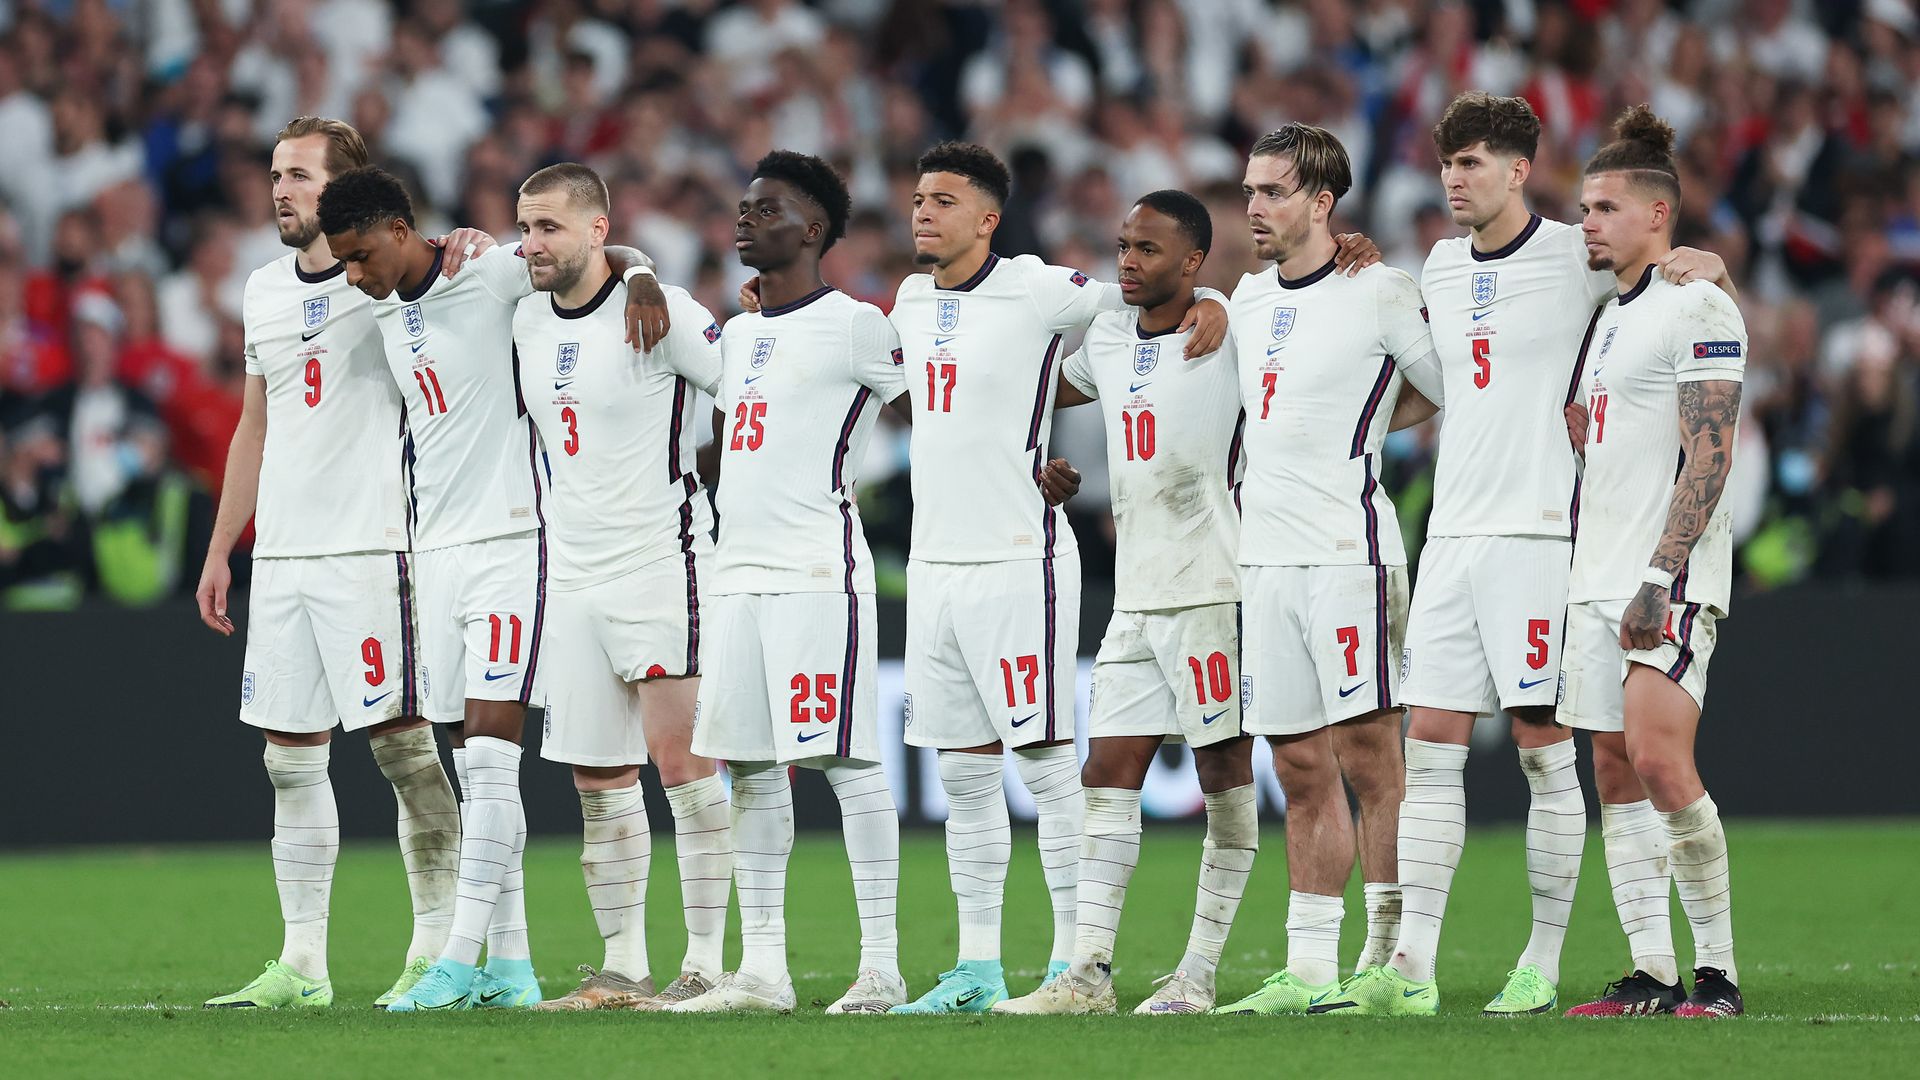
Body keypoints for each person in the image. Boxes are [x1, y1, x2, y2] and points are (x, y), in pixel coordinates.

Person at [1352, 92, 1735, 1017]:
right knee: (1433, 746)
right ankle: (1409, 965)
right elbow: (1424, 376)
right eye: (1446, 161)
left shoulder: (1579, 255)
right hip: (1449, 537)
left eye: (1472, 160)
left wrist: (1707, 257)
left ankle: (1544, 960)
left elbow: (1680, 285)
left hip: (1545, 539)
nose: (1453, 176)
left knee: (1549, 752)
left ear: (1521, 170)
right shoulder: (1437, 268)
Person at [314, 164, 679, 1012]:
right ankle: (509, 969)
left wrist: (645, 270)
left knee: (487, 760)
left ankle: (457, 954)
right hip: (435, 556)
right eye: (345, 263)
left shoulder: (490, 271)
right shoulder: (381, 305)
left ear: (402, 232)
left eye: (362, 255)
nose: (356, 275)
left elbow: (593, 252)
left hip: (517, 545)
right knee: (470, 760)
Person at [886, 141, 1228, 1014]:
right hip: (935, 564)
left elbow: (1152, 298)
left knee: (1044, 766)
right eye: (920, 197)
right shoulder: (911, 298)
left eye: (945, 200)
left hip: (1018, 560)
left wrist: (1220, 297)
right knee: (964, 777)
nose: (923, 211)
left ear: (988, 219)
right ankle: (975, 969)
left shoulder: (1042, 288)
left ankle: (1078, 967)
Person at [198, 117, 479, 1010]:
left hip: (375, 548)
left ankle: (435, 949)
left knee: (404, 751)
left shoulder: (397, 278)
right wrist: (223, 549)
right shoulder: (261, 291)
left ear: (345, 188)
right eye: (274, 174)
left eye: (299, 176)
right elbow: (256, 425)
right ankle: (303, 967)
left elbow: (503, 281)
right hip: (281, 554)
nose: (279, 189)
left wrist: (469, 241)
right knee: (289, 761)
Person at [990, 190, 1255, 1016]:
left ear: (1193, 261)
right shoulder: (1106, 333)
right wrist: (1044, 465)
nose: (1128, 261)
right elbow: (1046, 389)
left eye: (1148, 249)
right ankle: (1088, 974)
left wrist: (1217, 304)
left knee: (1223, 776)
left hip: (1215, 581)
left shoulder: (1233, 329)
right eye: (1122, 245)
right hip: (1136, 592)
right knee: (1106, 773)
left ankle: (1198, 973)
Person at [669, 151, 913, 1015]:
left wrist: (1024, 467)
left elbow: (938, 406)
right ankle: (763, 970)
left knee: (846, 762)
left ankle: (881, 966)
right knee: (752, 768)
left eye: (764, 208)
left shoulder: (856, 324)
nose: (742, 219)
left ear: (810, 230)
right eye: (741, 207)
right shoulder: (738, 333)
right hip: (736, 574)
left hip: (819, 571)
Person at [1213, 123, 1444, 1016]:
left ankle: (1390, 967)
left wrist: (1370, 420)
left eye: (1273, 191)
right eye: (1249, 190)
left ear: (1322, 201)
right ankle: (1309, 967)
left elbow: (1448, 384)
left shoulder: (1380, 290)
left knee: (1371, 762)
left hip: (1351, 552)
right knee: (1299, 767)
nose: (1255, 207)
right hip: (1265, 558)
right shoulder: (1243, 297)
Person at [502, 162, 737, 1013]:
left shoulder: (664, 312)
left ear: (596, 230)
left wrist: (643, 275)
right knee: (598, 783)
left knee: (684, 766)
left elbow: (748, 393)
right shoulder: (524, 313)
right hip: (569, 576)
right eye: (524, 227)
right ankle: (624, 968)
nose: (531, 243)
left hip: (661, 564)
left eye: (550, 228)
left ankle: (706, 963)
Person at [1559, 105, 1748, 1019]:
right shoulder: (1606, 318)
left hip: (1659, 579)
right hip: (1592, 575)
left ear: (1656, 216)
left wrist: (1658, 576)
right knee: (1612, 772)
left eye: (1601, 207)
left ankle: (1718, 975)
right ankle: (1652, 972)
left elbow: (1710, 453)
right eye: (1584, 208)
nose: (1586, 222)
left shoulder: (1699, 304)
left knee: (1662, 763)